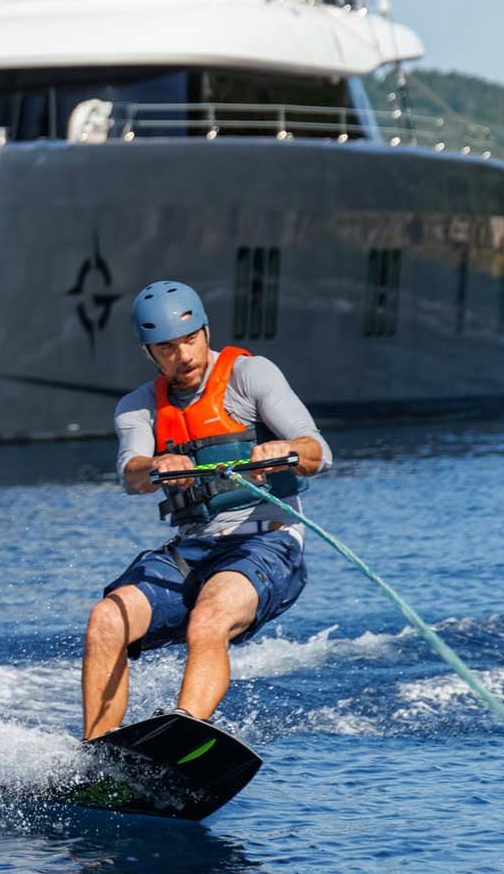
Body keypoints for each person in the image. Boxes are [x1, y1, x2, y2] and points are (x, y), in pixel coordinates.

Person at [82, 280, 330, 739]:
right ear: (149, 354)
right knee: (107, 618)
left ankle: (184, 735)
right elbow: (131, 475)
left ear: (206, 332)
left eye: (191, 340)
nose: (184, 356)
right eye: (168, 348)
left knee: (209, 618)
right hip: (193, 550)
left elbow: (318, 453)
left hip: (267, 542)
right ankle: (96, 754)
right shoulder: (137, 408)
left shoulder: (251, 376)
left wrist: (284, 451)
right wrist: (157, 465)